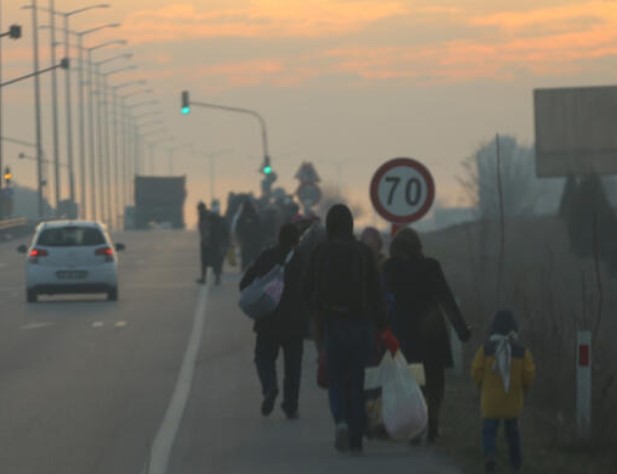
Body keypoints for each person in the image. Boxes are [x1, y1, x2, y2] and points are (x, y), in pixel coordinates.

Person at [305, 204, 398, 454]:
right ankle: (357, 435)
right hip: (362, 325)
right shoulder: (363, 253)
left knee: (335, 377)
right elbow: (376, 293)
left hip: (332, 324)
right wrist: (382, 325)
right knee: (358, 380)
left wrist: (314, 324)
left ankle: (341, 422)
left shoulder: (320, 252)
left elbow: (309, 291)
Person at [382, 227, 471, 444]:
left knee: (413, 380)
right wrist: (461, 330)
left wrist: (380, 330)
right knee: (435, 380)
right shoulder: (431, 267)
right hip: (432, 329)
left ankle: (416, 425)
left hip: (405, 331)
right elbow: (446, 299)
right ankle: (433, 424)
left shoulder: (390, 268)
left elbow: (382, 301)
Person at [239, 224, 309, 419]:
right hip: (295, 322)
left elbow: (244, 283)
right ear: (297, 240)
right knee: (293, 366)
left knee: (263, 357)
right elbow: (312, 288)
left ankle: (269, 386)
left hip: (268, 319)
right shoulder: (303, 259)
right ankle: (290, 405)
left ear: (279, 238)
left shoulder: (266, 255)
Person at [471, 310, 536, 474]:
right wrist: (524, 389)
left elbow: (476, 371)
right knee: (513, 433)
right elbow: (528, 375)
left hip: (490, 402)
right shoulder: (521, 351)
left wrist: (481, 385)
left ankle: (490, 457)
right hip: (512, 401)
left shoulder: (485, 349)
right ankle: (516, 464)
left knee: (489, 431)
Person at [196, 201, 229, 285]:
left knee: (205, 261)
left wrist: (206, 240)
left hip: (208, 242)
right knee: (216, 260)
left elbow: (205, 229)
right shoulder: (213, 215)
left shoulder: (203, 216)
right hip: (216, 241)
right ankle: (217, 278)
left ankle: (204, 278)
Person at [236, 200, 264, 271]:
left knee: (245, 254)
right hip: (256, 240)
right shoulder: (256, 216)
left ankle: (244, 266)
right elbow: (261, 228)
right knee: (256, 255)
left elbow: (238, 229)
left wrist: (240, 239)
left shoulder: (241, 217)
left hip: (246, 240)